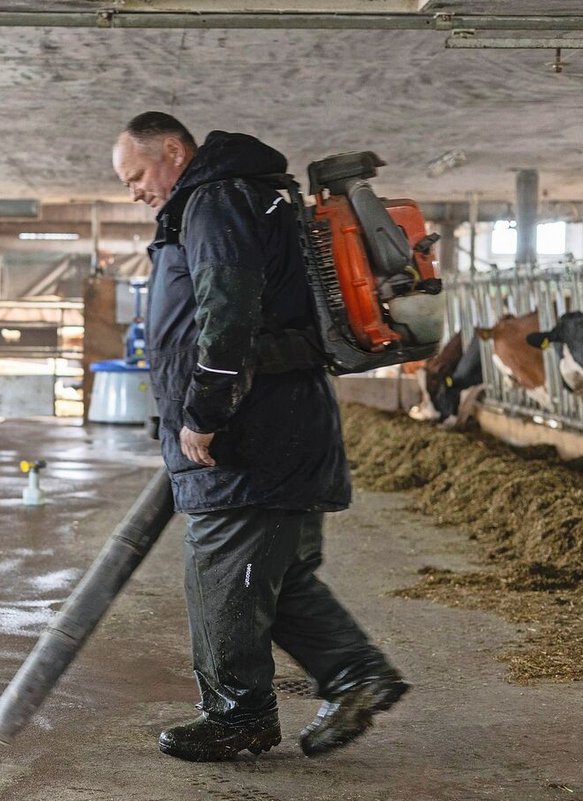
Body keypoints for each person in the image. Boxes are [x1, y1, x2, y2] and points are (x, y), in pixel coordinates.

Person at [111, 111, 407, 762]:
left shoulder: (216, 203)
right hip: (284, 423)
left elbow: (228, 313)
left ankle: (237, 717)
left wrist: (204, 413)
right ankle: (358, 675)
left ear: (172, 150)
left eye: (136, 175)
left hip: (254, 433)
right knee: (278, 577)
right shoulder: (246, 196)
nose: (134, 190)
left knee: (221, 574)